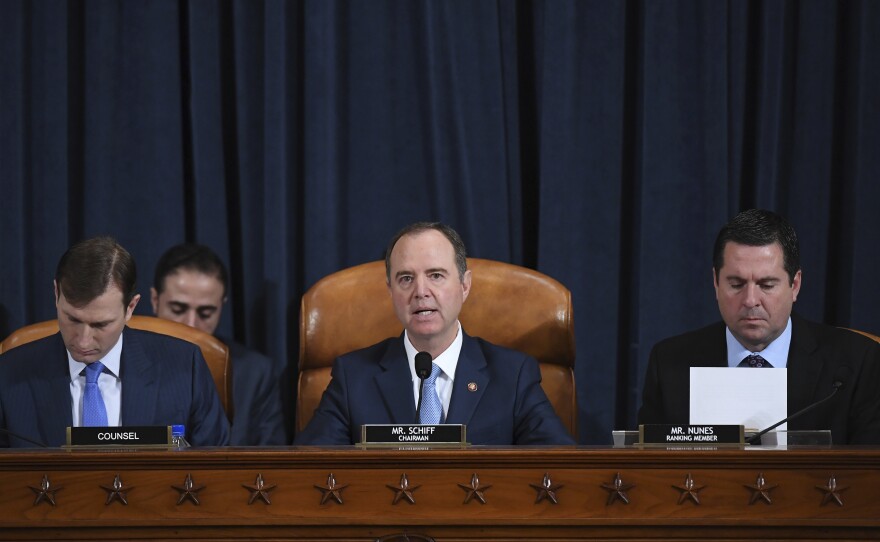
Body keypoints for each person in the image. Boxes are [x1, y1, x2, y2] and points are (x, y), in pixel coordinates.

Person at [295, 222, 575, 445]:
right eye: (406, 278)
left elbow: (559, 470)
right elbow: (308, 473)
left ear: (465, 285)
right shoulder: (352, 377)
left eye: (436, 275)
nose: (421, 292)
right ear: (390, 291)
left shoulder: (512, 375)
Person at [638, 209, 880, 444]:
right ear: (715, 282)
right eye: (736, 284)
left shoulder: (857, 363)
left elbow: (869, 475)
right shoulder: (670, 362)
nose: (750, 300)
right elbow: (649, 472)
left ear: (794, 285)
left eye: (766, 284)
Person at [0, 237, 229, 448]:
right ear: (56, 294)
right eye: (72, 319)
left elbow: (217, 475)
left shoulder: (184, 367)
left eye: (100, 325)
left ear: (130, 308)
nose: (83, 339)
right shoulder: (8, 374)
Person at [151, 243, 287, 446]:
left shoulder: (254, 373)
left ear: (222, 307)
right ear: (155, 300)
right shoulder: (119, 361)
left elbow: (272, 464)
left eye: (205, 313)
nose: (191, 324)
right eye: (178, 309)